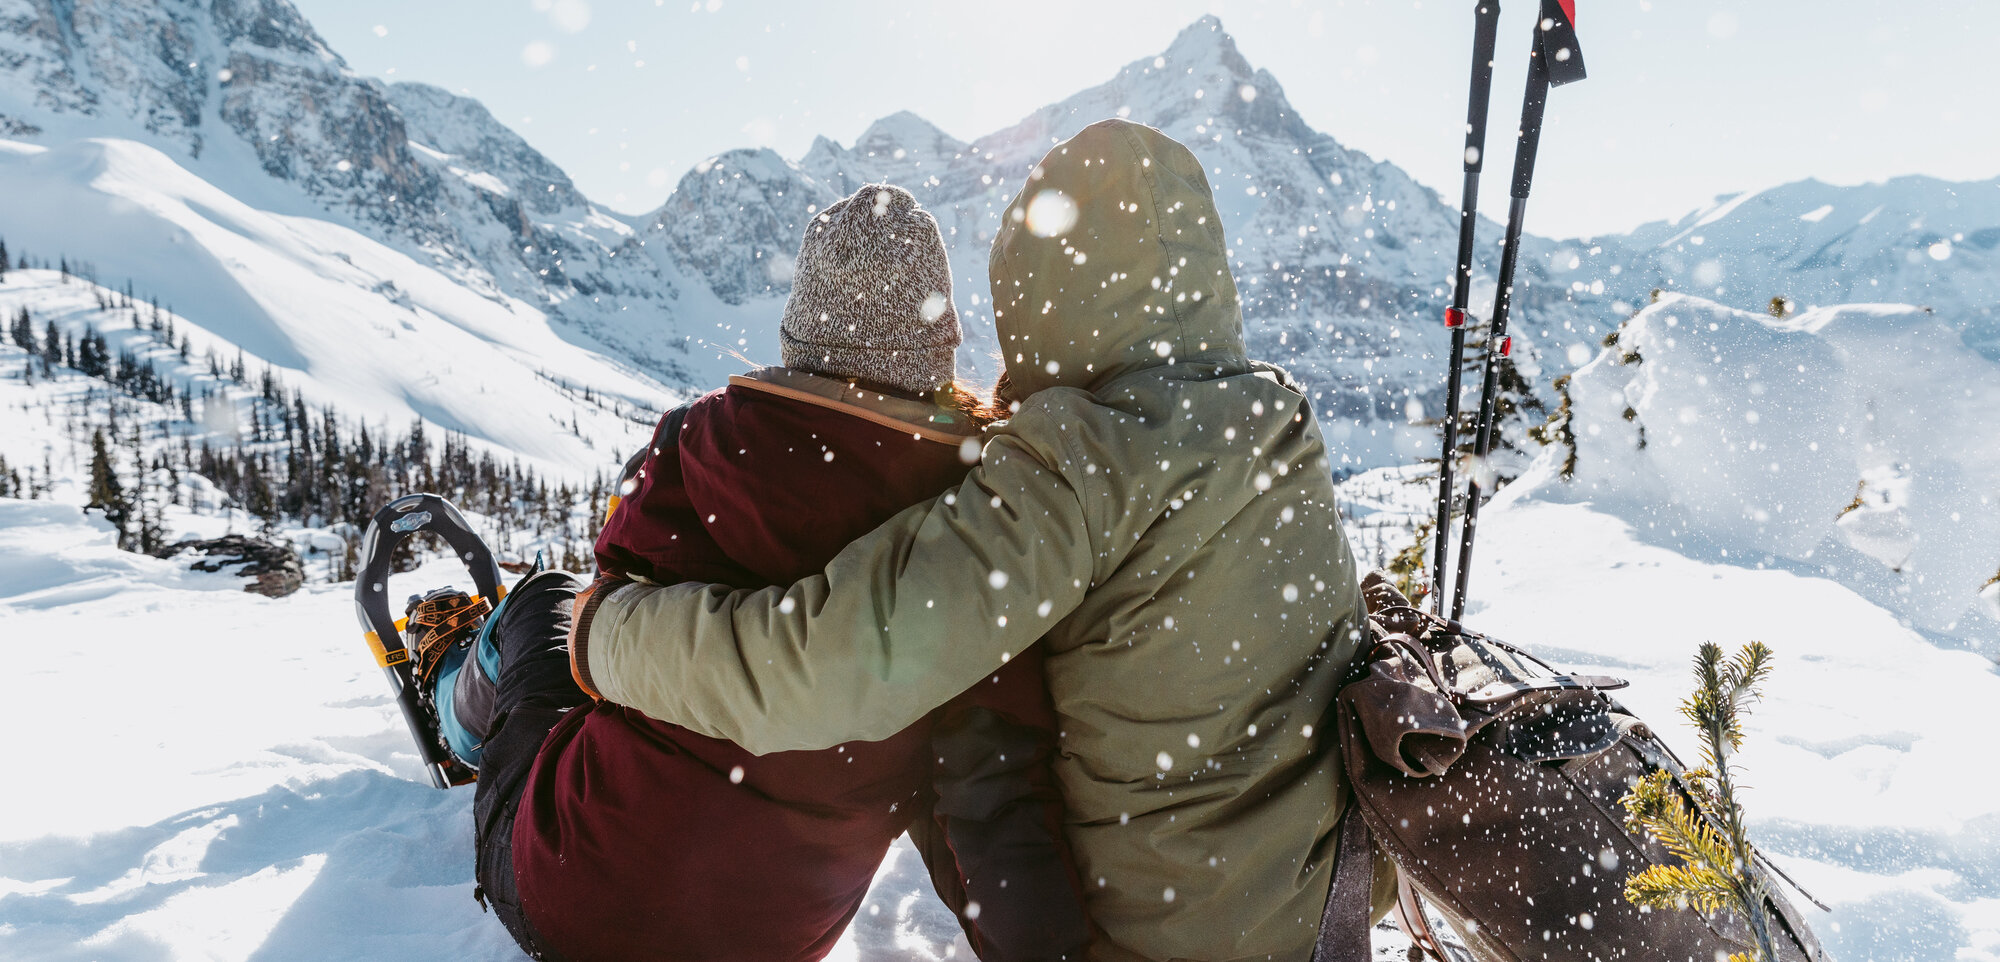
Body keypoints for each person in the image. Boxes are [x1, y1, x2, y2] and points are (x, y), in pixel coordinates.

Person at [570, 120, 1386, 962]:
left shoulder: (1087, 458)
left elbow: (827, 668)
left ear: (1039, 291)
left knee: (975, 731)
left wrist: (605, 634)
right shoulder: (1272, 415)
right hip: (1323, 913)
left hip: (1169, 939)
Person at [438, 184, 1089, 962]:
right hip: (768, 938)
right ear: (938, 339)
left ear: (801, 329)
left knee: (546, 601)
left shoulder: (701, 447)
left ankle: (453, 708)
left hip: (567, 889)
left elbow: (604, 611)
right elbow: (989, 788)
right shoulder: (970, 530)